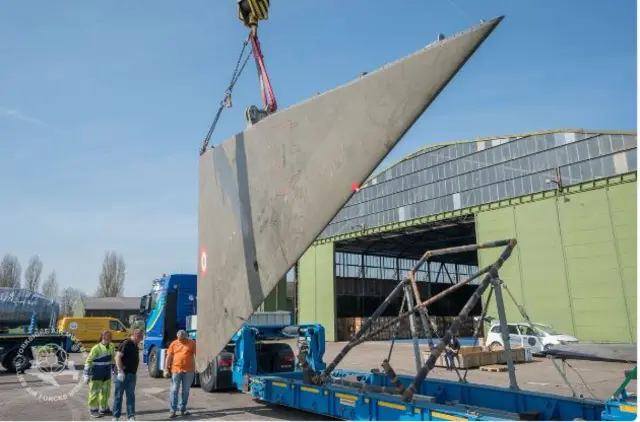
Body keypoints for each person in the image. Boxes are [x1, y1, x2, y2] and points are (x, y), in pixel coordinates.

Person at [164, 330, 197, 418]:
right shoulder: (174, 343)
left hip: (189, 371)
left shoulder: (192, 343)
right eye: (179, 339)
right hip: (176, 370)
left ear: (186, 336)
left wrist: (199, 366)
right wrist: (166, 369)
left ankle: (182, 409)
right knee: (174, 390)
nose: (181, 340)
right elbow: (169, 357)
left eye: (182, 339)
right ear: (177, 337)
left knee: (185, 390)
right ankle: (172, 411)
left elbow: (197, 354)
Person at [113, 329, 143, 421]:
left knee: (130, 396)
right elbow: (117, 356)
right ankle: (115, 417)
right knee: (118, 396)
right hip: (122, 374)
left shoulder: (135, 345)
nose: (141, 339)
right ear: (136, 335)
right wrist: (120, 371)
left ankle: (130, 416)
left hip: (131, 374)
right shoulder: (126, 343)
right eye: (141, 337)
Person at [84, 330, 116, 418]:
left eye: (111, 336)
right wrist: (86, 375)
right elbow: (88, 361)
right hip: (96, 373)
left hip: (106, 374)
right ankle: (93, 410)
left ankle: (104, 408)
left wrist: (114, 372)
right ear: (103, 337)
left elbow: (113, 360)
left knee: (106, 391)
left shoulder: (112, 346)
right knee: (94, 392)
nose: (110, 338)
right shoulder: (96, 348)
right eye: (108, 336)